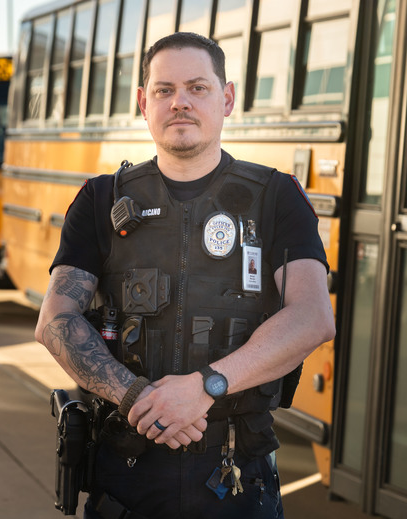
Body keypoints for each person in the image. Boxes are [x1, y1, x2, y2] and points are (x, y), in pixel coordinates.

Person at [35, 32, 335, 519]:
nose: (180, 103)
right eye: (164, 90)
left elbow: (312, 318)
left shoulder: (278, 197)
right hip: (128, 473)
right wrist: (140, 398)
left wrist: (204, 387)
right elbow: (56, 320)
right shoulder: (99, 201)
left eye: (198, 87)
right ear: (142, 102)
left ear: (227, 98)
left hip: (237, 475)